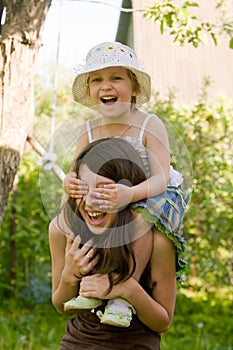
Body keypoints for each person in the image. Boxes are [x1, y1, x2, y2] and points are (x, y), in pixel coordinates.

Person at [62, 42, 189, 323]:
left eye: (116, 77)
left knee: (139, 220)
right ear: (91, 92)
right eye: (97, 79)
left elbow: (161, 179)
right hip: (109, 199)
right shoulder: (88, 130)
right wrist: (70, 185)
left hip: (152, 194)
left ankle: (121, 293)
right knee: (63, 220)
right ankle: (83, 280)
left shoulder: (148, 124)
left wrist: (129, 194)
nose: (106, 85)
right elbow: (75, 173)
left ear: (133, 89)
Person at [49, 137, 177, 349]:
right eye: (83, 188)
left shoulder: (156, 239)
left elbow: (163, 321)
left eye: (104, 190)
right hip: (76, 343)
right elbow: (61, 306)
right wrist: (69, 275)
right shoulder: (63, 230)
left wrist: (125, 288)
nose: (90, 201)